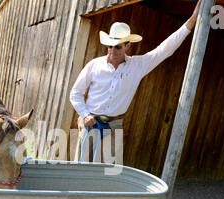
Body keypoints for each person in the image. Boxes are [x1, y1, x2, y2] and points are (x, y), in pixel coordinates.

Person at [70, 0, 201, 162]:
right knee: (80, 170)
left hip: (114, 126)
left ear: (128, 46)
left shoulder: (137, 65)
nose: (112, 50)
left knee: (110, 174)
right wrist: (85, 114)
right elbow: (75, 93)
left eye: (118, 47)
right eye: (110, 46)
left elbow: (165, 49)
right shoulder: (94, 65)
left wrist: (192, 20)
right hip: (90, 124)